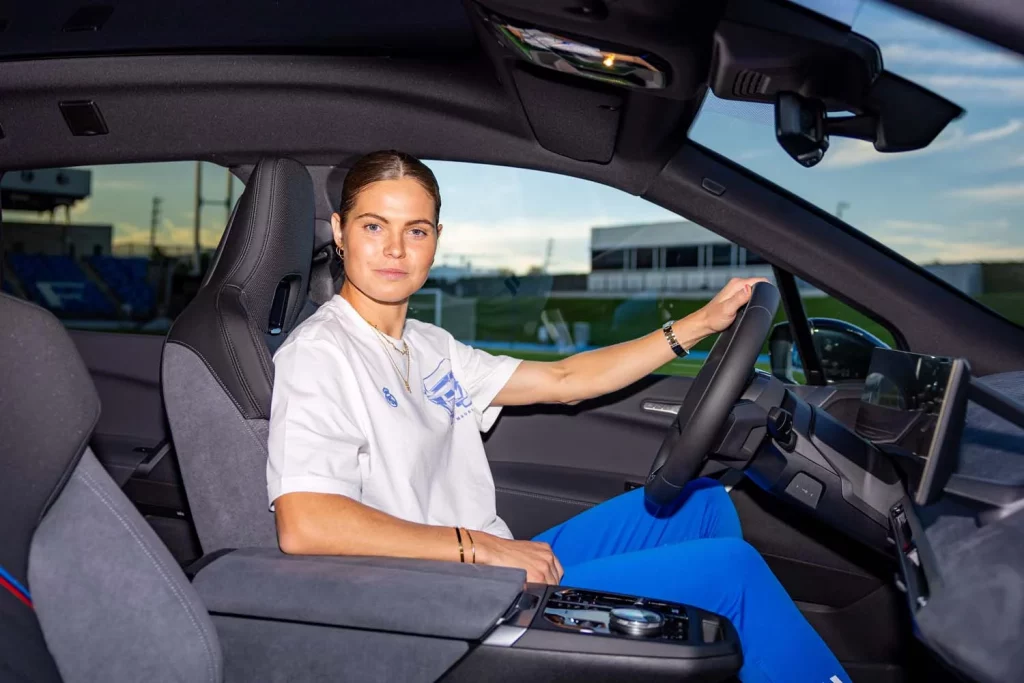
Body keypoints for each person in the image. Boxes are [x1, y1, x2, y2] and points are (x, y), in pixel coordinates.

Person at [266, 150, 851, 683]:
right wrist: (482, 549)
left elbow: (566, 380)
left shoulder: (428, 344)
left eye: (415, 230)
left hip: (485, 566)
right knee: (733, 574)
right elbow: (306, 523)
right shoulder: (319, 353)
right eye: (374, 226)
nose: (395, 249)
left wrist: (697, 325)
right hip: (443, 595)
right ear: (341, 232)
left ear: (437, 240)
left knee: (704, 505)